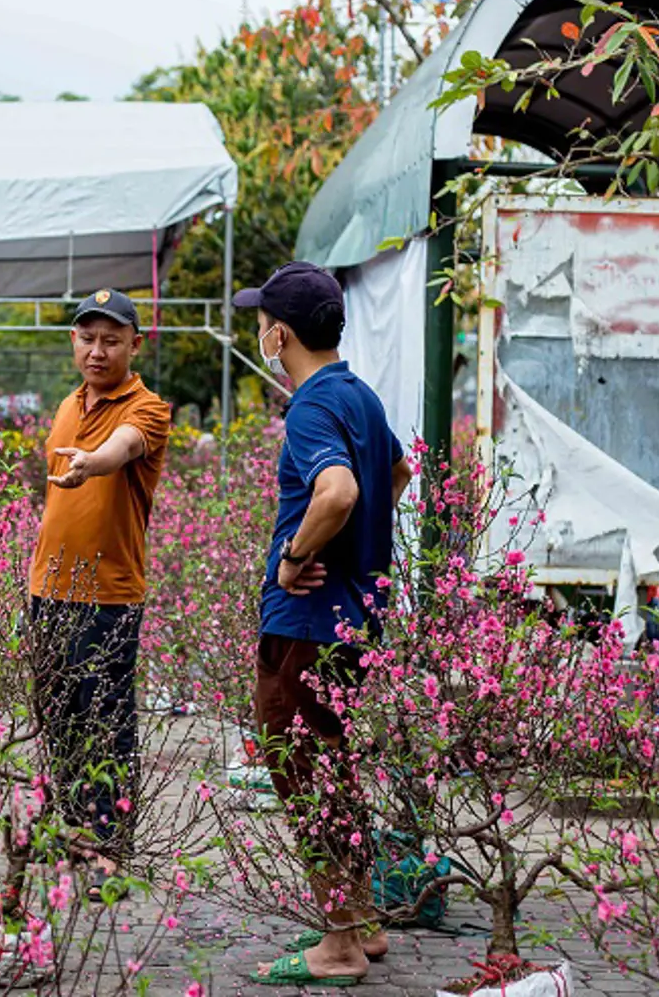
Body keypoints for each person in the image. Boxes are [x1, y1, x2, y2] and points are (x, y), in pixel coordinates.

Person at [232, 262, 413, 988]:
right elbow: (394, 476)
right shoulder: (358, 396)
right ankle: (361, 921)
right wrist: (353, 552)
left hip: (306, 620)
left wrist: (296, 555)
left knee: (300, 770)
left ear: (278, 336)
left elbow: (336, 490)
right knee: (332, 767)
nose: (258, 332)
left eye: (259, 322)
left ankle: (337, 944)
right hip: (356, 623)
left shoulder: (310, 406)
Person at [28, 288, 171, 903]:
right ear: (73, 342)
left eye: (112, 339)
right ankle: (70, 832)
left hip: (108, 596)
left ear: (134, 346)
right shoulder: (67, 403)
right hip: (47, 588)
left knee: (107, 721)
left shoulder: (147, 409)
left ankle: (110, 846)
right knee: (57, 716)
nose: (97, 350)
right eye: (87, 338)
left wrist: (95, 460)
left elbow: (126, 448)